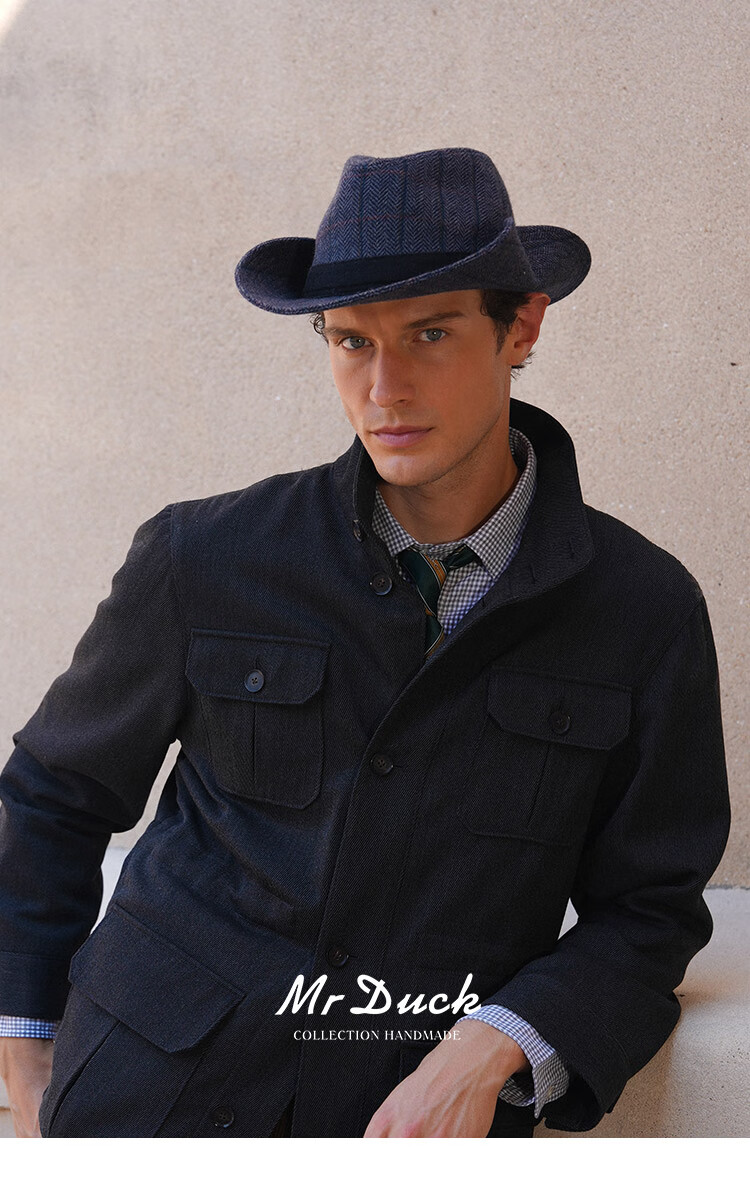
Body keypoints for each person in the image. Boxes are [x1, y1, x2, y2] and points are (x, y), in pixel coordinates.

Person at [0, 148, 730, 1138]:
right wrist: (23, 1029)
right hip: (145, 1097)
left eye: (430, 334)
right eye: (351, 341)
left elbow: (650, 911)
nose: (385, 387)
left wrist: (499, 1041)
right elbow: (54, 793)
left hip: (406, 1120)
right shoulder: (203, 556)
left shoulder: (642, 610)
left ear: (520, 327)